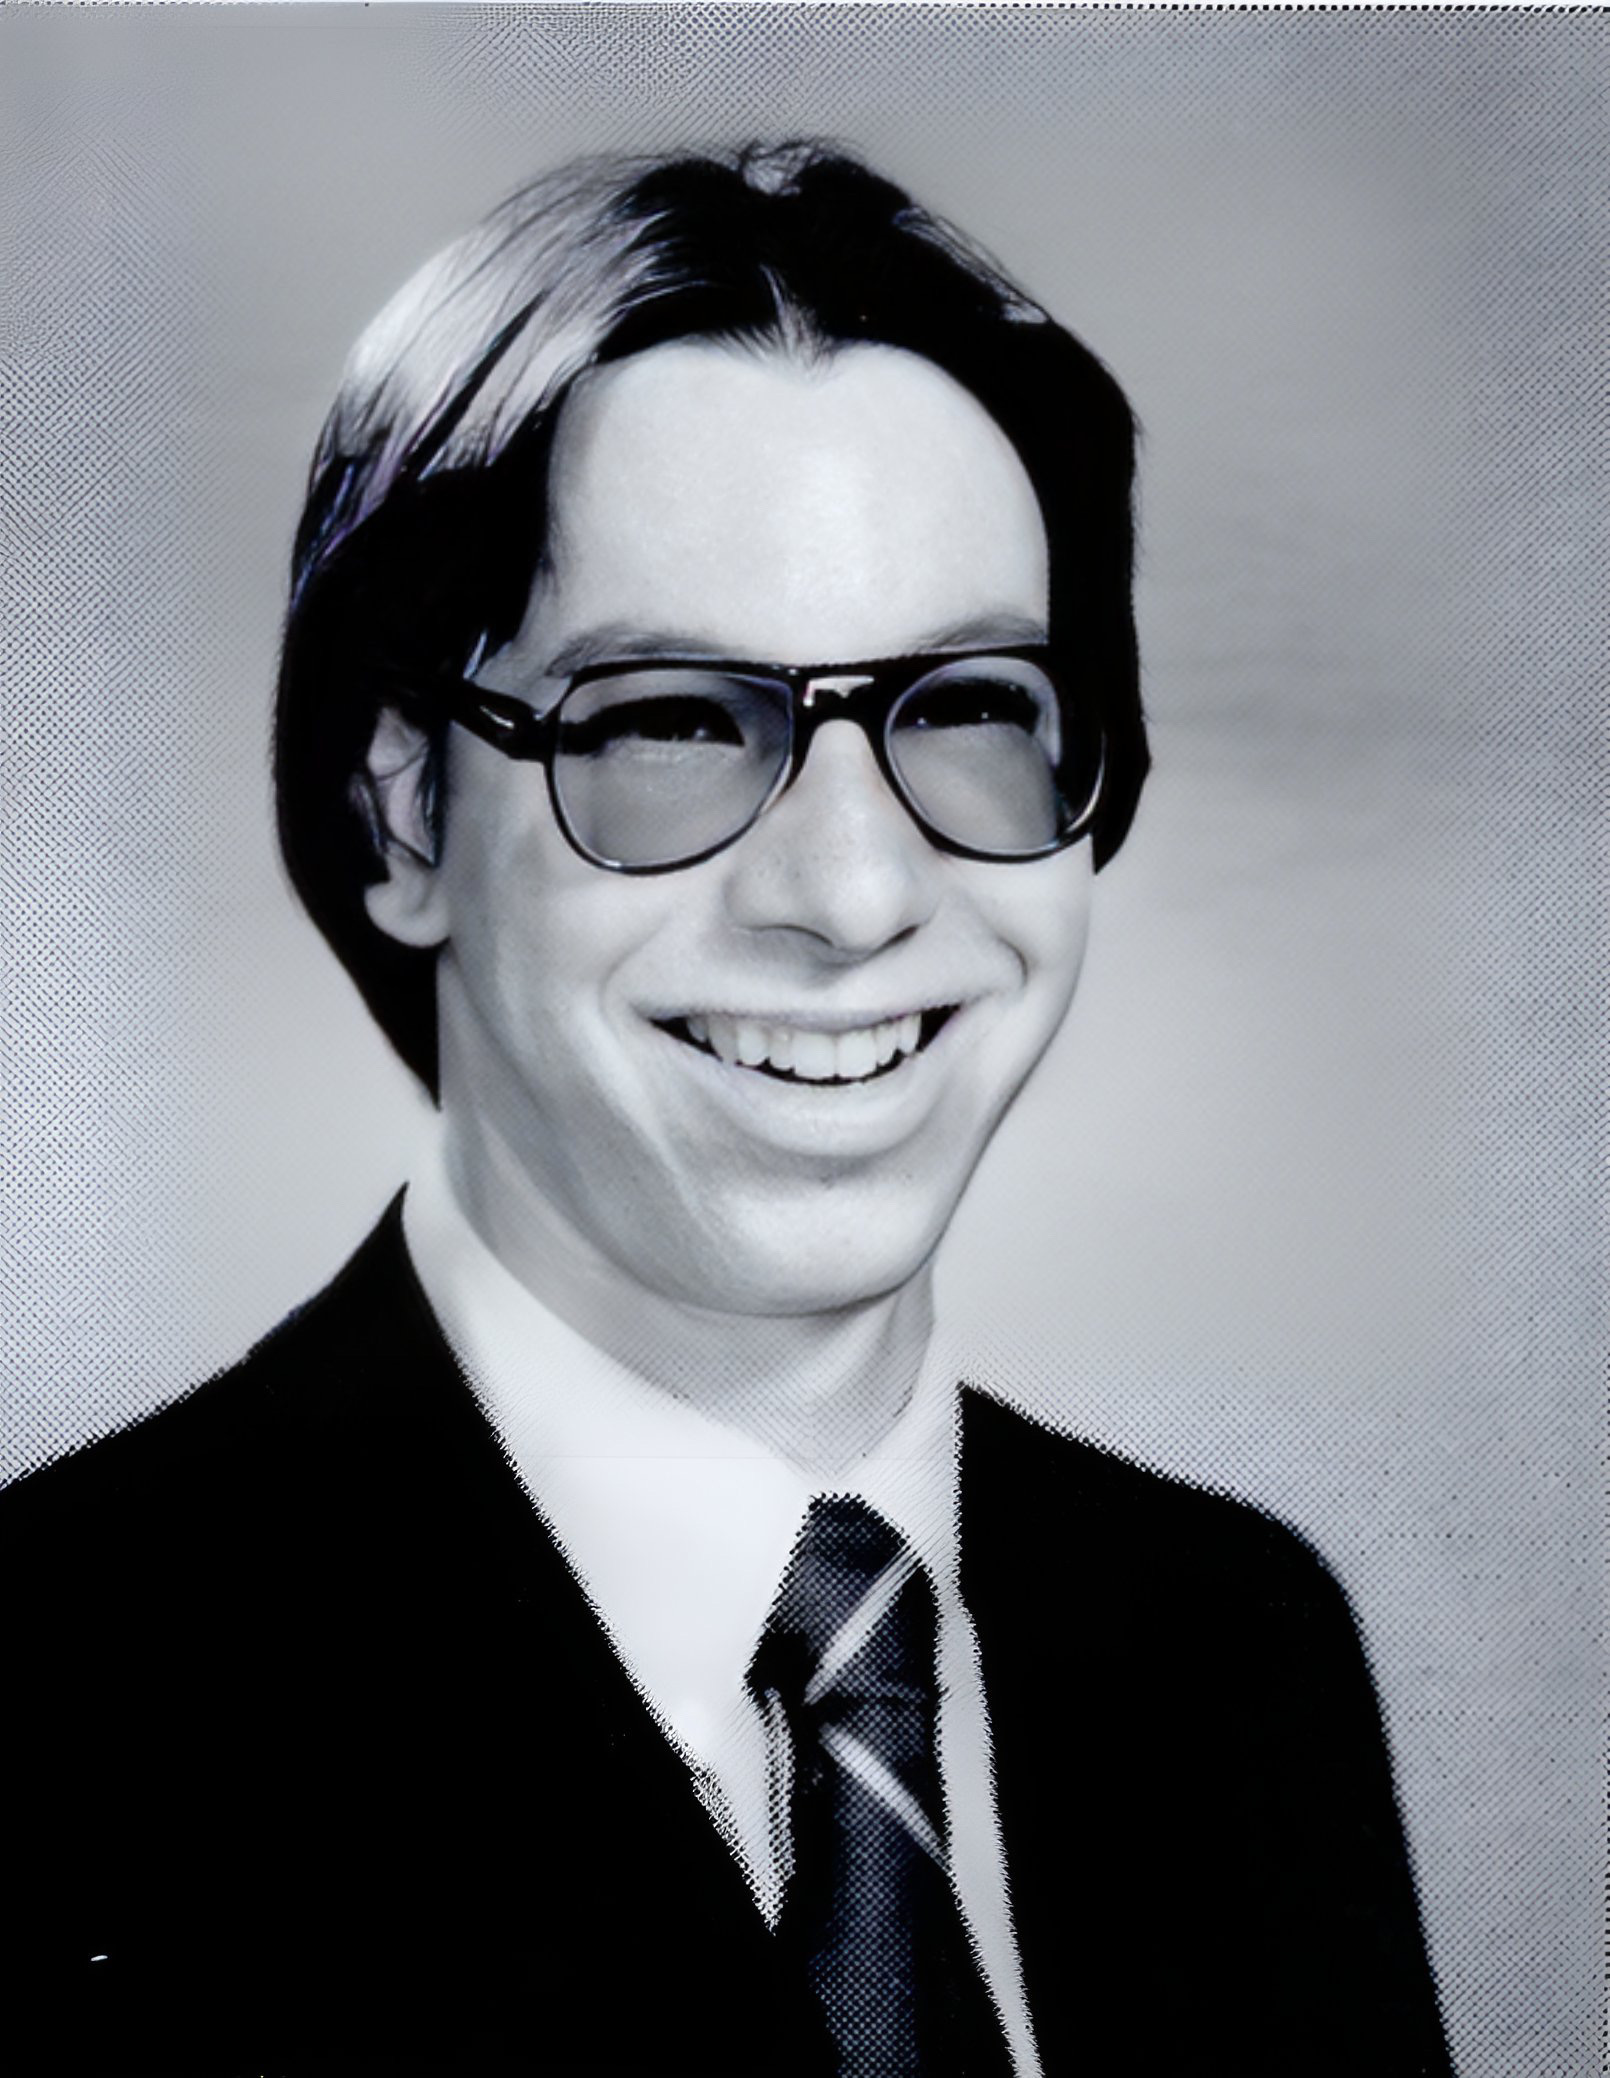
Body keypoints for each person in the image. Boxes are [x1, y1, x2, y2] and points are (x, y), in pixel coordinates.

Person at [3, 144, 1451, 2077]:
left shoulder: (1234, 1651)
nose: (852, 896)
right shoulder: (40, 1702)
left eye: (966, 704)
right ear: (401, 813)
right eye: (676, 720)